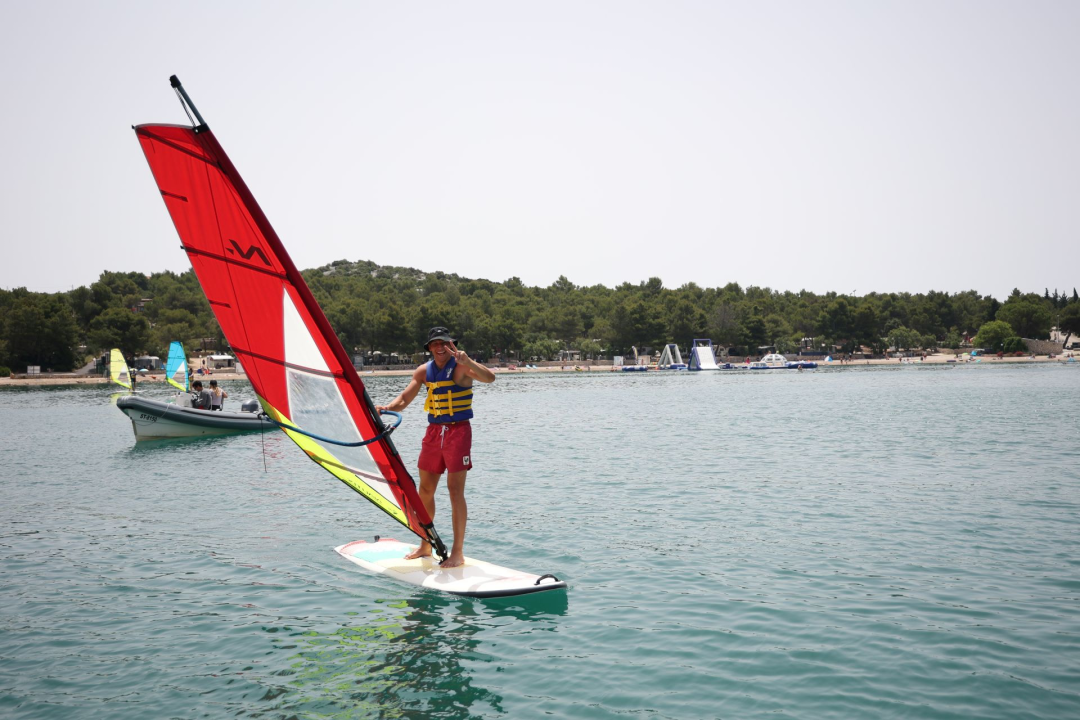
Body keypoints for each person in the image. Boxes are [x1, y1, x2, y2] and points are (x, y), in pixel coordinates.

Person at [375, 327, 496, 568]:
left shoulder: (462, 367)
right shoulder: (423, 372)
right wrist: (384, 409)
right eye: (435, 344)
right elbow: (403, 400)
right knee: (425, 490)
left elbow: (490, 378)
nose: (440, 348)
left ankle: (458, 552)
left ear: (452, 344)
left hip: (458, 432)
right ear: (429, 348)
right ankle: (425, 544)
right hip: (433, 434)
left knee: (454, 491)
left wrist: (468, 359)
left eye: (444, 343)